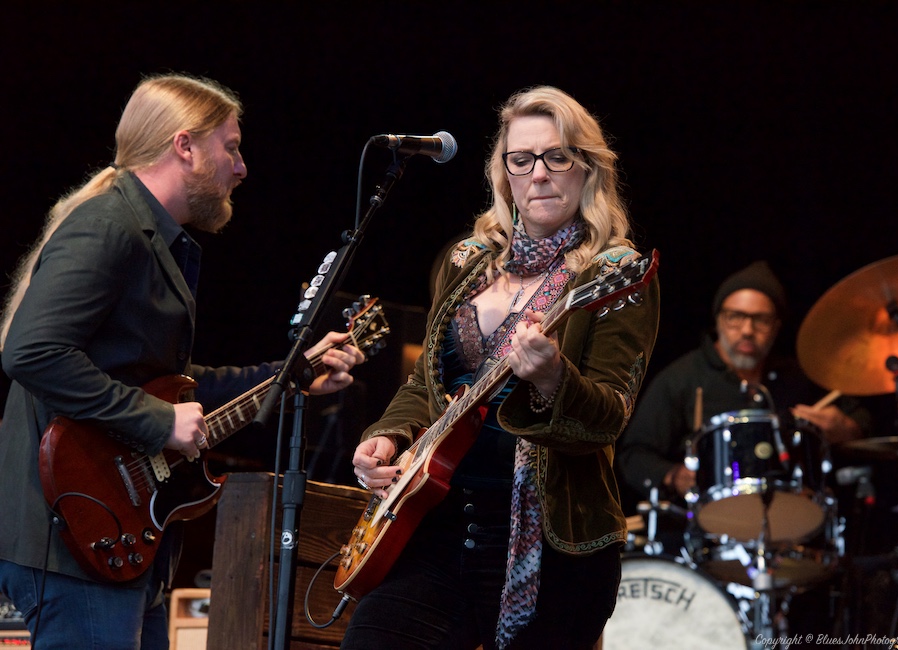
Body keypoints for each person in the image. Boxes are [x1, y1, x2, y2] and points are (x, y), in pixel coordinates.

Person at [0, 73, 366, 649]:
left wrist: (290, 373)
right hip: (72, 534)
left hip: (115, 535)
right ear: (184, 146)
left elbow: (173, 388)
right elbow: (31, 351)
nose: (241, 168)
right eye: (232, 146)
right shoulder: (108, 227)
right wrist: (158, 422)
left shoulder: (147, 235)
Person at [340, 86, 660, 650]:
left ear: (586, 168)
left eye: (557, 156)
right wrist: (387, 438)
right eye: (521, 159)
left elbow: (609, 418)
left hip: (553, 547)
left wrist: (552, 377)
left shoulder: (616, 272)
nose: (538, 173)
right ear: (503, 173)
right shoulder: (468, 261)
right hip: (431, 526)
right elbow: (426, 385)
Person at [617, 260, 869, 511]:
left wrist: (847, 427)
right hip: (707, 526)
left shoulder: (797, 376)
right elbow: (634, 455)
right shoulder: (682, 378)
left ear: (776, 327)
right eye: (736, 317)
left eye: (761, 320)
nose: (747, 330)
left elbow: (864, 418)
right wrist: (673, 475)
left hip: (793, 519)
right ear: (718, 320)